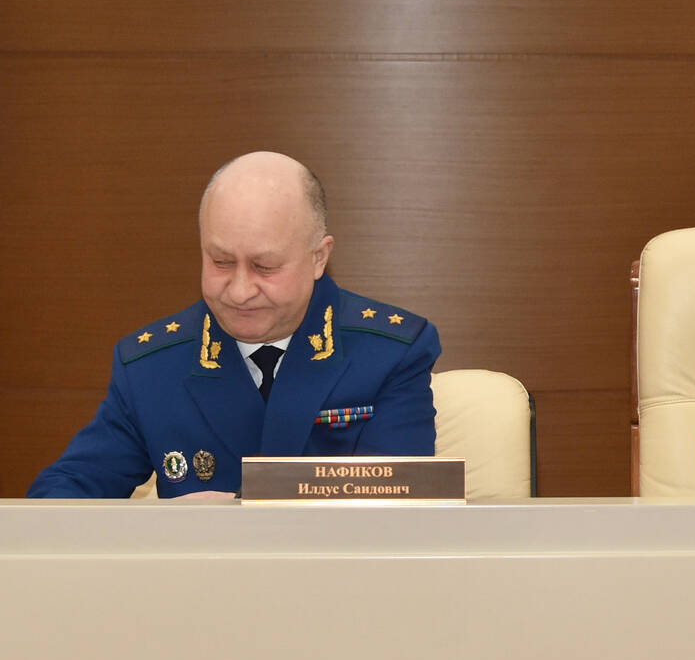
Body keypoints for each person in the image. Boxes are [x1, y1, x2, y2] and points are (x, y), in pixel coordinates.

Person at [29, 151, 440, 498]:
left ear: (319, 257)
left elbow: (401, 513)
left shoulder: (390, 353)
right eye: (221, 262)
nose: (240, 291)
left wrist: (229, 516)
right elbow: (61, 495)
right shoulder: (151, 366)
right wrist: (163, 525)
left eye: (265, 266)